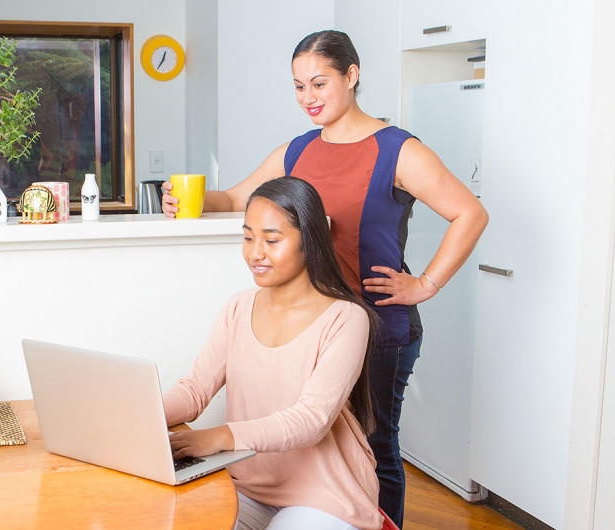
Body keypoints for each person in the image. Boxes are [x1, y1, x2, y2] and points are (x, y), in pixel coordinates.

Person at [162, 30, 489, 527]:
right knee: (317, 446)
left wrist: (424, 284)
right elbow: (234, 199)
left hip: (376, 326)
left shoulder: (397, 150)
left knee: (373, 448)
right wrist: (184, 200)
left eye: (319, 84)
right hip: (303, 322)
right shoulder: (297, 151)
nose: (307, 98)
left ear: (351, 76)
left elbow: (470, 213)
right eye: (298, 87)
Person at [164, 176, 383, 530]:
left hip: (323, 496)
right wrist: (138, 413)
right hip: (247, 488)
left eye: (272, 240)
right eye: (248, 237)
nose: (255, 253)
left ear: (309, 241)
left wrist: (219, 436)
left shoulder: (346, 318)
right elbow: (193, 392)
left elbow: (311, 420)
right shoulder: (237, 307)